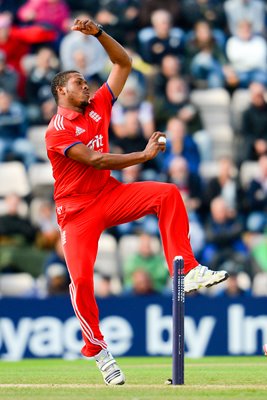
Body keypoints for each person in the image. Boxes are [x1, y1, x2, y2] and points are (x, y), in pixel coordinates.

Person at [45, 17, 228, 386]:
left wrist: (98, 33)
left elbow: (123, 63)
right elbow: (95, 159)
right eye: (79, 83)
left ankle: (189, 269)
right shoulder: (57, 131)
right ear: (62, 91)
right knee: (80, 280)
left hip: (108, 195)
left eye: (85, 81)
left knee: (168, 193)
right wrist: (142, 157)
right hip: (76, 213)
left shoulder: (97, 105)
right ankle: (98, 351)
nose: (87, 86)